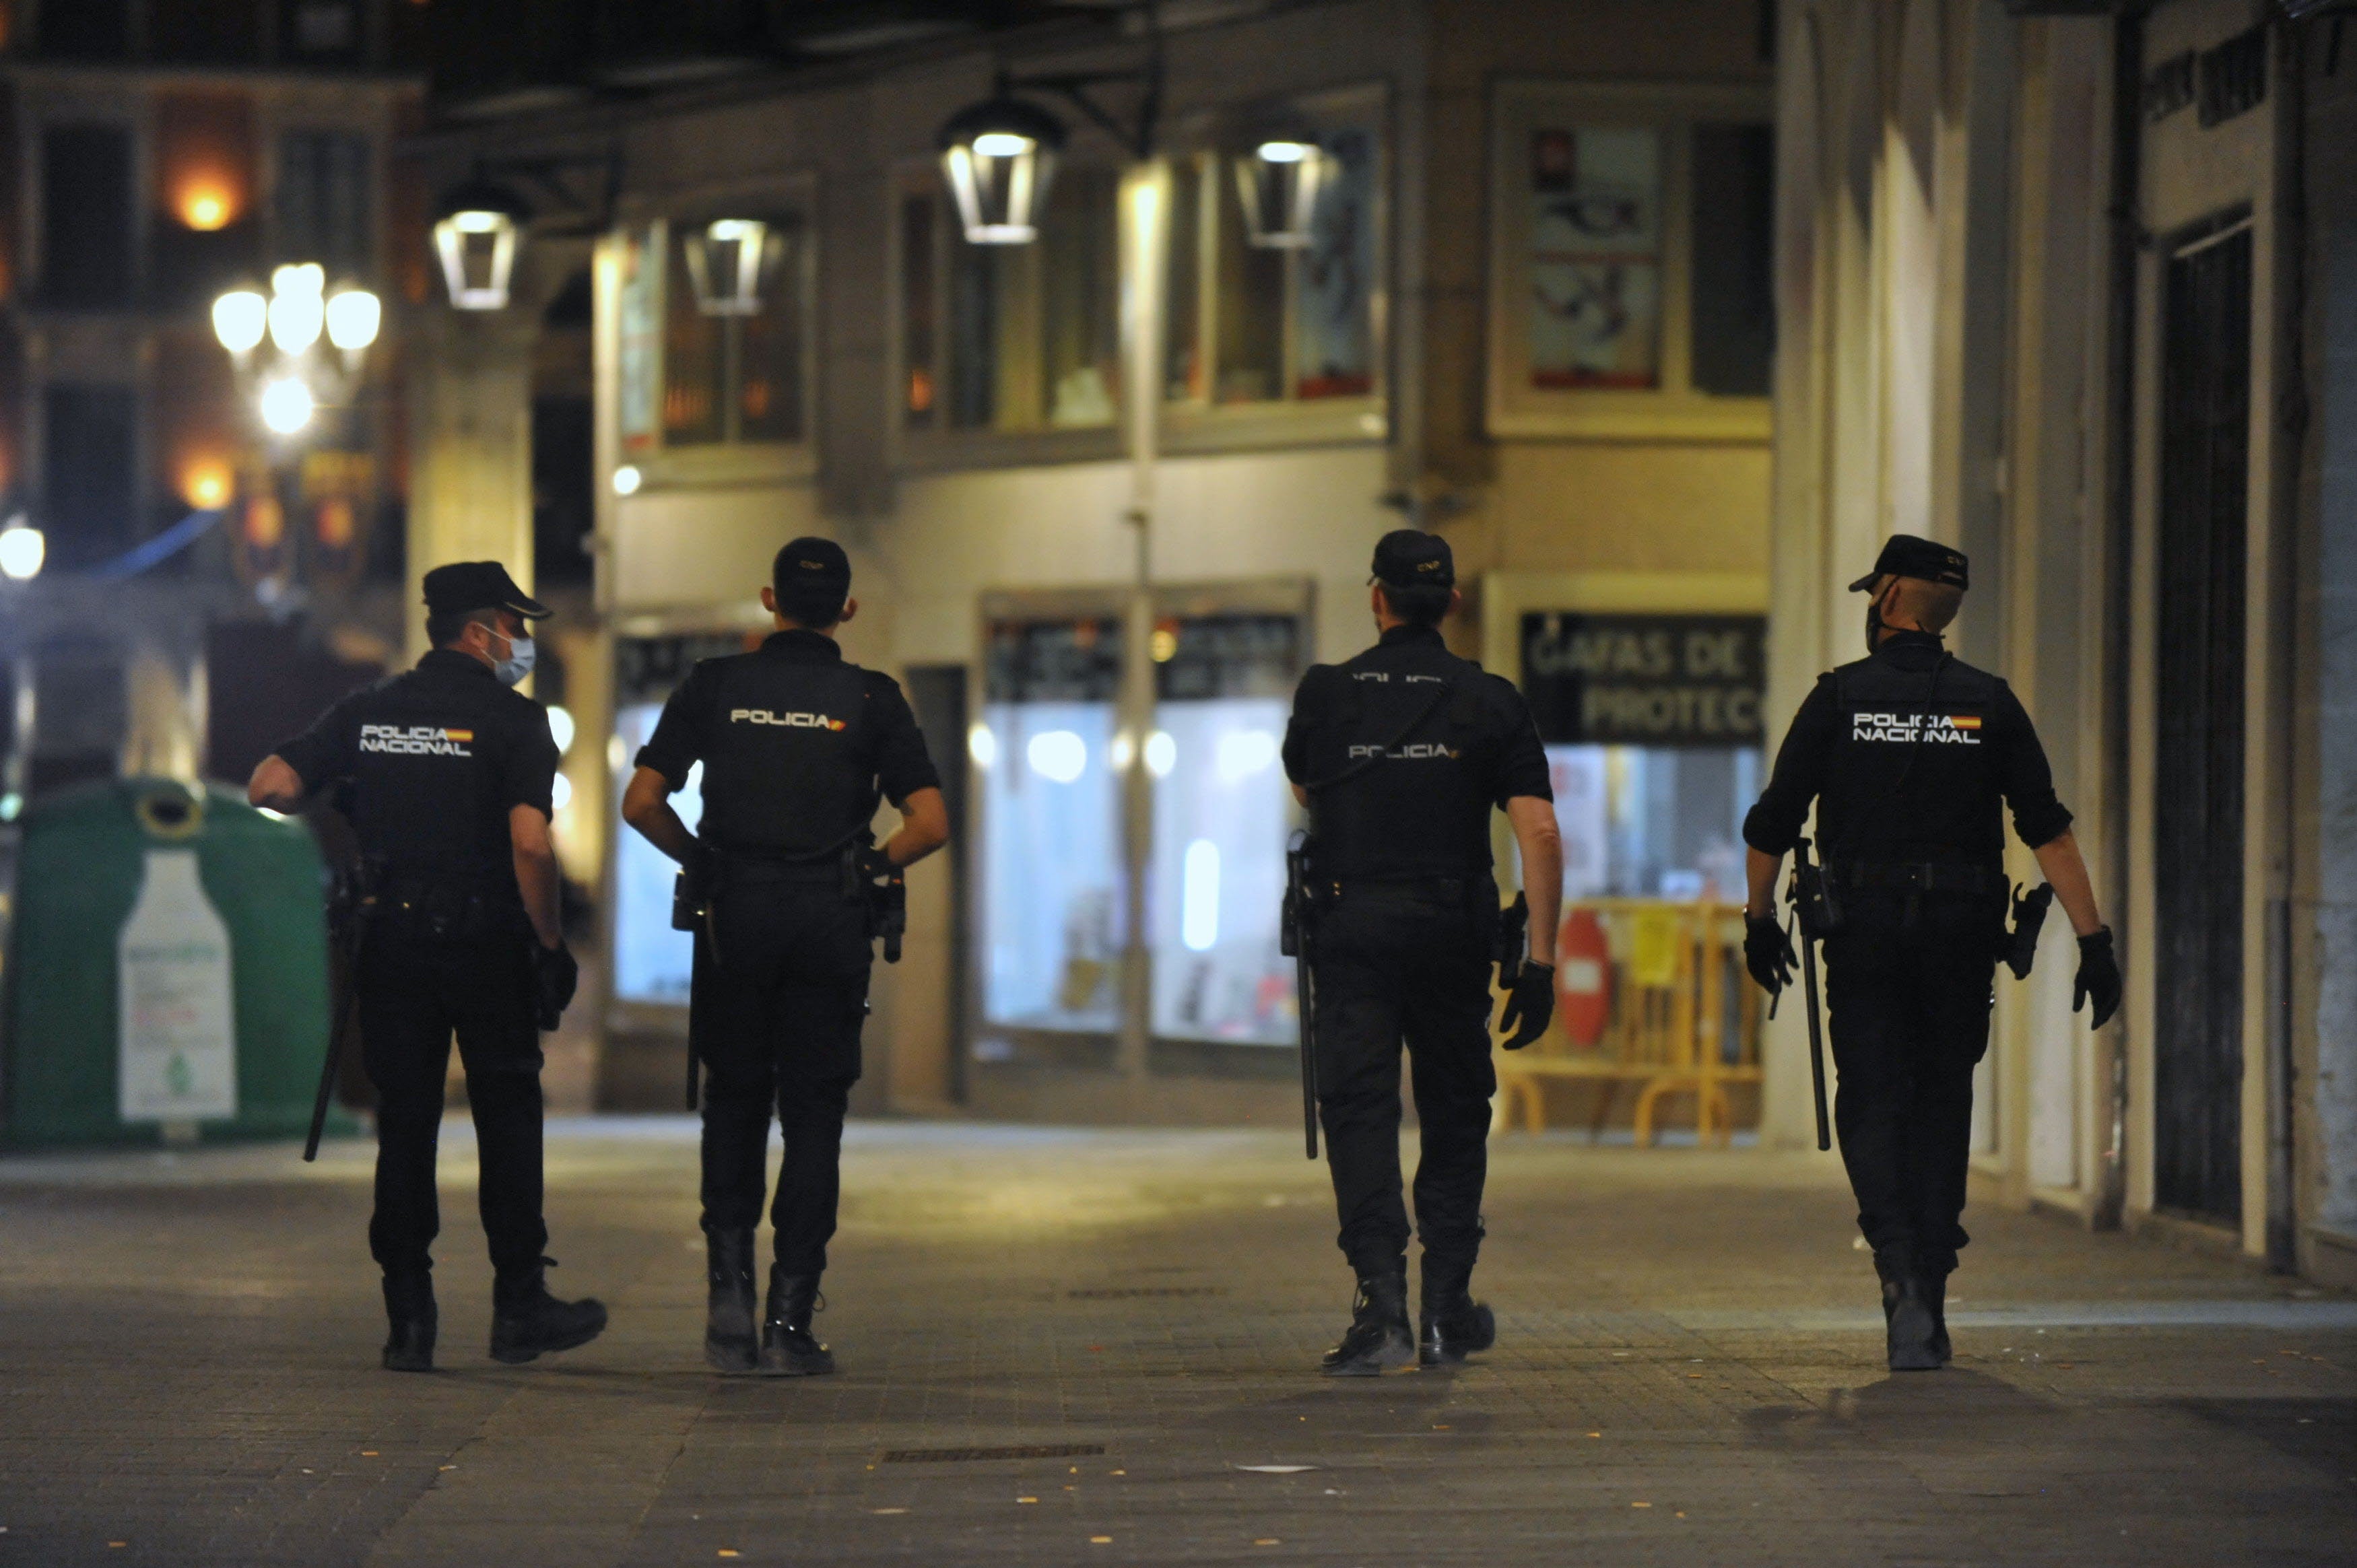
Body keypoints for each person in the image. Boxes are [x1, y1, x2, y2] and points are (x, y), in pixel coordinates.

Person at [1739, 534, 2123, 1372]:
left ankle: (1897, 1273)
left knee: (1871, 1094)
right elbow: (2046, 829)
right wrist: (2093, 940)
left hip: (1863, 933)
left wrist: (1758, 918)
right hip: (1959, 935)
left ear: (1883, 602)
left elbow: (1772, 820)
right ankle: (1933, 1287)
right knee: (1942, 1097)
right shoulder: (1989, 702)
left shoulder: (1837, 699)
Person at [248, 561, 605, 1373]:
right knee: (507, 1118)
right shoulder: (516, 723)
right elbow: (530, 843)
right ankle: (519, 1306)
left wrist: (355, 798)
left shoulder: (367, 711)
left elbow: (269, 785)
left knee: (404, 1125)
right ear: (479, 631)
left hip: (392, 947)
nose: (521, 640)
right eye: (514, 626)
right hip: (486, 945)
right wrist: (548, 941)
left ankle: (408, 1317)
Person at [621, 537, 948, 1376]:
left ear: (770, 600)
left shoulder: (715, 684)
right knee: (813, 1118)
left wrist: (701, 859)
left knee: (732, 1101)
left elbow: (642, 802)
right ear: (847, 608)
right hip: (828, 922)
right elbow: (930, 822)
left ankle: (728, 1296)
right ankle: (790, 1323)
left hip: (736, 918)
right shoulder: (872, 698)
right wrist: (870, 866)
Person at [1281, 529, 1564, 1375]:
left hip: (1352, 929)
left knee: (1359, 1106)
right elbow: (1538, 831)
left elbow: (1306, 788)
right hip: (1450, 932)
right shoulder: (1487, 698)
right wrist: (1540, 961)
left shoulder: (1326, 693)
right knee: (1452, 1107)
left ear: (1376, 598)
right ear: (1452, 603)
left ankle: (1380, 1305)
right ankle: (1446, 1306)